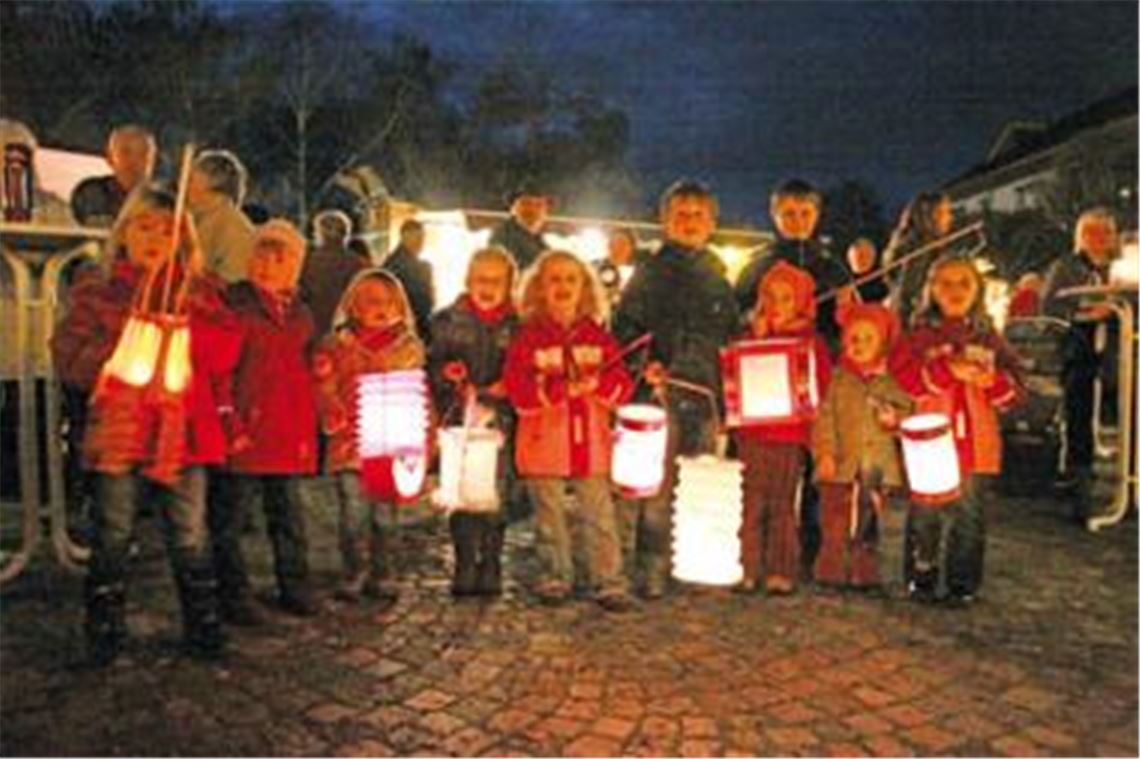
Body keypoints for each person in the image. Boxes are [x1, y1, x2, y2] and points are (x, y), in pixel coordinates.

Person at [51, 185, 237, 665]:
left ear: (184, 239)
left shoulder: (200, 291)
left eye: (167, 229)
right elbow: (68, 355)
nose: (155, 237)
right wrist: (119, 349)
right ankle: (104, 628)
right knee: (113, 529)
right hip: (121, 429)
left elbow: (224, 355)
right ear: (124, 232)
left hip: (185, 436)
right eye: (144, 226)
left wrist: (189, 325)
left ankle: (204, 625)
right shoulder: (99, 287)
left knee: (189, 531)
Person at [612, 179, 739, 599]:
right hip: (659, 395)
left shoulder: (719, 276)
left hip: (704, 395)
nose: (689, 222)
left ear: (711, 223)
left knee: (697, 480)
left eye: (697, 215)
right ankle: (651, 564)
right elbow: (625, 329)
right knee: (658, 487)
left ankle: (693, 561)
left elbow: (731, 334)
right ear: (665, 221)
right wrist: (643, 364)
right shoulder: (649, 273)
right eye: (680, 215)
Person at [504, 250, 635, 611]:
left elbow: (621, 385)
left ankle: (607, 579)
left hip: (590, 442)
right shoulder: (529, 337)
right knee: (549, 517)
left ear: (585, 288)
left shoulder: (598, 336)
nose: (563, 287)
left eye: (571, 279)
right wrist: (560, 391)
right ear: (539, 288)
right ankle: (555, 575)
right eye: (554, 279)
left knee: (599, 514)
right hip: (544, 441)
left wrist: (601, 387)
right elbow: (517, 389)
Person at [891, 253, 1025, 604]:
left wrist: (991, 381)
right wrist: (947, 371)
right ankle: (921, 576)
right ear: (931, 289)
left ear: (977, 290)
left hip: (977, 444)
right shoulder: (919, 337)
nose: (954, 290)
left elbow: (1015, 391)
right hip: (929, 445)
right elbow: (905, 381)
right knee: (925, 513)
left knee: (969, 516)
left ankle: (962, 585)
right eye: (945, 283)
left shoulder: (990, 339)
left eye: (963, 283)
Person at [215, 219, 320, 618]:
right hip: (245, 426)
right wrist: (230, 421)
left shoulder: (301, 315)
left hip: (284, 430)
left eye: (280, 257)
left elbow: (301, 371)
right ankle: (234, 594)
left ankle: (295, 586)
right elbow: (222, 370)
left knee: (288, 515)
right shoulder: (234, 305)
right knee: (232, 518)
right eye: (261, 253)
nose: (267, 264)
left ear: (294, 265)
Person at [313, 269, 424, 602]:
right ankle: (354, 569)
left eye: (388, 302)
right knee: (352, 512)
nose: (380, 308)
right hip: (350, 441)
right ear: (354, 307)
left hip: (389, 444)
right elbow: (324, 386)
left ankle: (383, 570)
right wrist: (329, 402)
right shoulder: (335, 346)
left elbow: (413, 392)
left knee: (384, 514)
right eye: (371, 301)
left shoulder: (408, 347)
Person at [733, 262, 832, 595]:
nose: (777, 305)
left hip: (788, 436)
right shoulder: (750, 334)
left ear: (800, 301)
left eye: (786, 298)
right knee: (750, 501)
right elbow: (736, 373)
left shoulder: (810, 341)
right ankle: (748, 566)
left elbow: (820, 387)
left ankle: (780, 568)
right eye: (770, 297)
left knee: (781, 502)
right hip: (753, 433)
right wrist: (757, 339)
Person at [429, 247, 520, 597]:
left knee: (496, 493)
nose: (488, 286)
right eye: (481, 278)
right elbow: (432, 364)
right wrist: (446, 374)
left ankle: (492, 561)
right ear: (468, 280)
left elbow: (526, 365)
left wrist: (510, 384)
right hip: (459, 422)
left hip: (501, 423)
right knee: (462, 492)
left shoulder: (518, 324)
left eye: (496, 280)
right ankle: (465, 560)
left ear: (509, 284)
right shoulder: (445, 321)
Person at [813, 303, 912, 592]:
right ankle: (831, 569)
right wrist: (825, 453)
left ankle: (865, 573)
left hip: (880, 467)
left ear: (883, 342)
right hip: (842, 465)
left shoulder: (894, 382)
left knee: (871, 524)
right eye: (854, 339)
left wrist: (895, 419)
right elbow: (824, 418)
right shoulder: (837, 379)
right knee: (834, 519)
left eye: (869, 339)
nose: (860, 345)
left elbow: (909, 412)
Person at [1042, 208, 1122, 503]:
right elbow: (1050, 308)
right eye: (1091, 232)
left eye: (1104, 232)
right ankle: (1080, 473)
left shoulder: (1125, 267)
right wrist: (1083, 314)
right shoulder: (1066, 267)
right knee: (1079, 400)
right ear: (1081, 237)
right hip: (1080, 345)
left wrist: (1115, 311)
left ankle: (1130, 475)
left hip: (1121, 344)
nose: (1098, 239)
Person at [734, 179, 852, 352]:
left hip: (821, 357)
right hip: (769, 358)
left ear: (817, 215)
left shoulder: (832, 267)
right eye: (789, 214)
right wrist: (751, 319)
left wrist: (847, 313)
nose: (798, 221)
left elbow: (853, 322)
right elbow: (736, 314)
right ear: (775, 216)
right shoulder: (757, 267)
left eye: (805, 213)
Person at [881, 191, 955, 327]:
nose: (950, 217)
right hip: (915, 324)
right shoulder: (922, 246)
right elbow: (910, 293)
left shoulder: (909, 241)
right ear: (931, 216)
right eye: (945, 212)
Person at [187, 149, 256, 284]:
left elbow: (233, 282)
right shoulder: (196, 219)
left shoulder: (235, 229)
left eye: (191, 180)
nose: (183, 187)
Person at [70, 124, 156, 227]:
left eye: (143, 153)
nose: (134, 161)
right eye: (125, 152)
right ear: (110, 158)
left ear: (153, 160)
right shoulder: (90, 194)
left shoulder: (169, 199)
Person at [299, 209, 366, 337]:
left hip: (311, 329)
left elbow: (300, 294)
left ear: (321, 233)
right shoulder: (357, 263)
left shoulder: (307, 260)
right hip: (343, 332)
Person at [383, 219, 435, 344]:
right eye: (417, 237)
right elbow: (421, 302)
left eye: (422, 238)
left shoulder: (390, 263)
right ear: (404, 237)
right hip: (405, 330)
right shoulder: (398, 265)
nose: (421, 242)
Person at [489, 182, 551, 272]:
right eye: (526, 203)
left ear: (546, 211)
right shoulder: (505, 236)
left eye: (539, 205)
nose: (532, 210)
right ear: (513, 208)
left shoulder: (538, 240)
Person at [594, 227, 642, 307]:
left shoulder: (641, 273)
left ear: (632, 247)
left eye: (622, 244)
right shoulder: (595, 268)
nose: (616, 248)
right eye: (612, 243)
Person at [846, 237, 890, 304]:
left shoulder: (882, 275)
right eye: (860, 256)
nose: (862, 259)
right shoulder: (848, 282)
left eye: (865, 255)